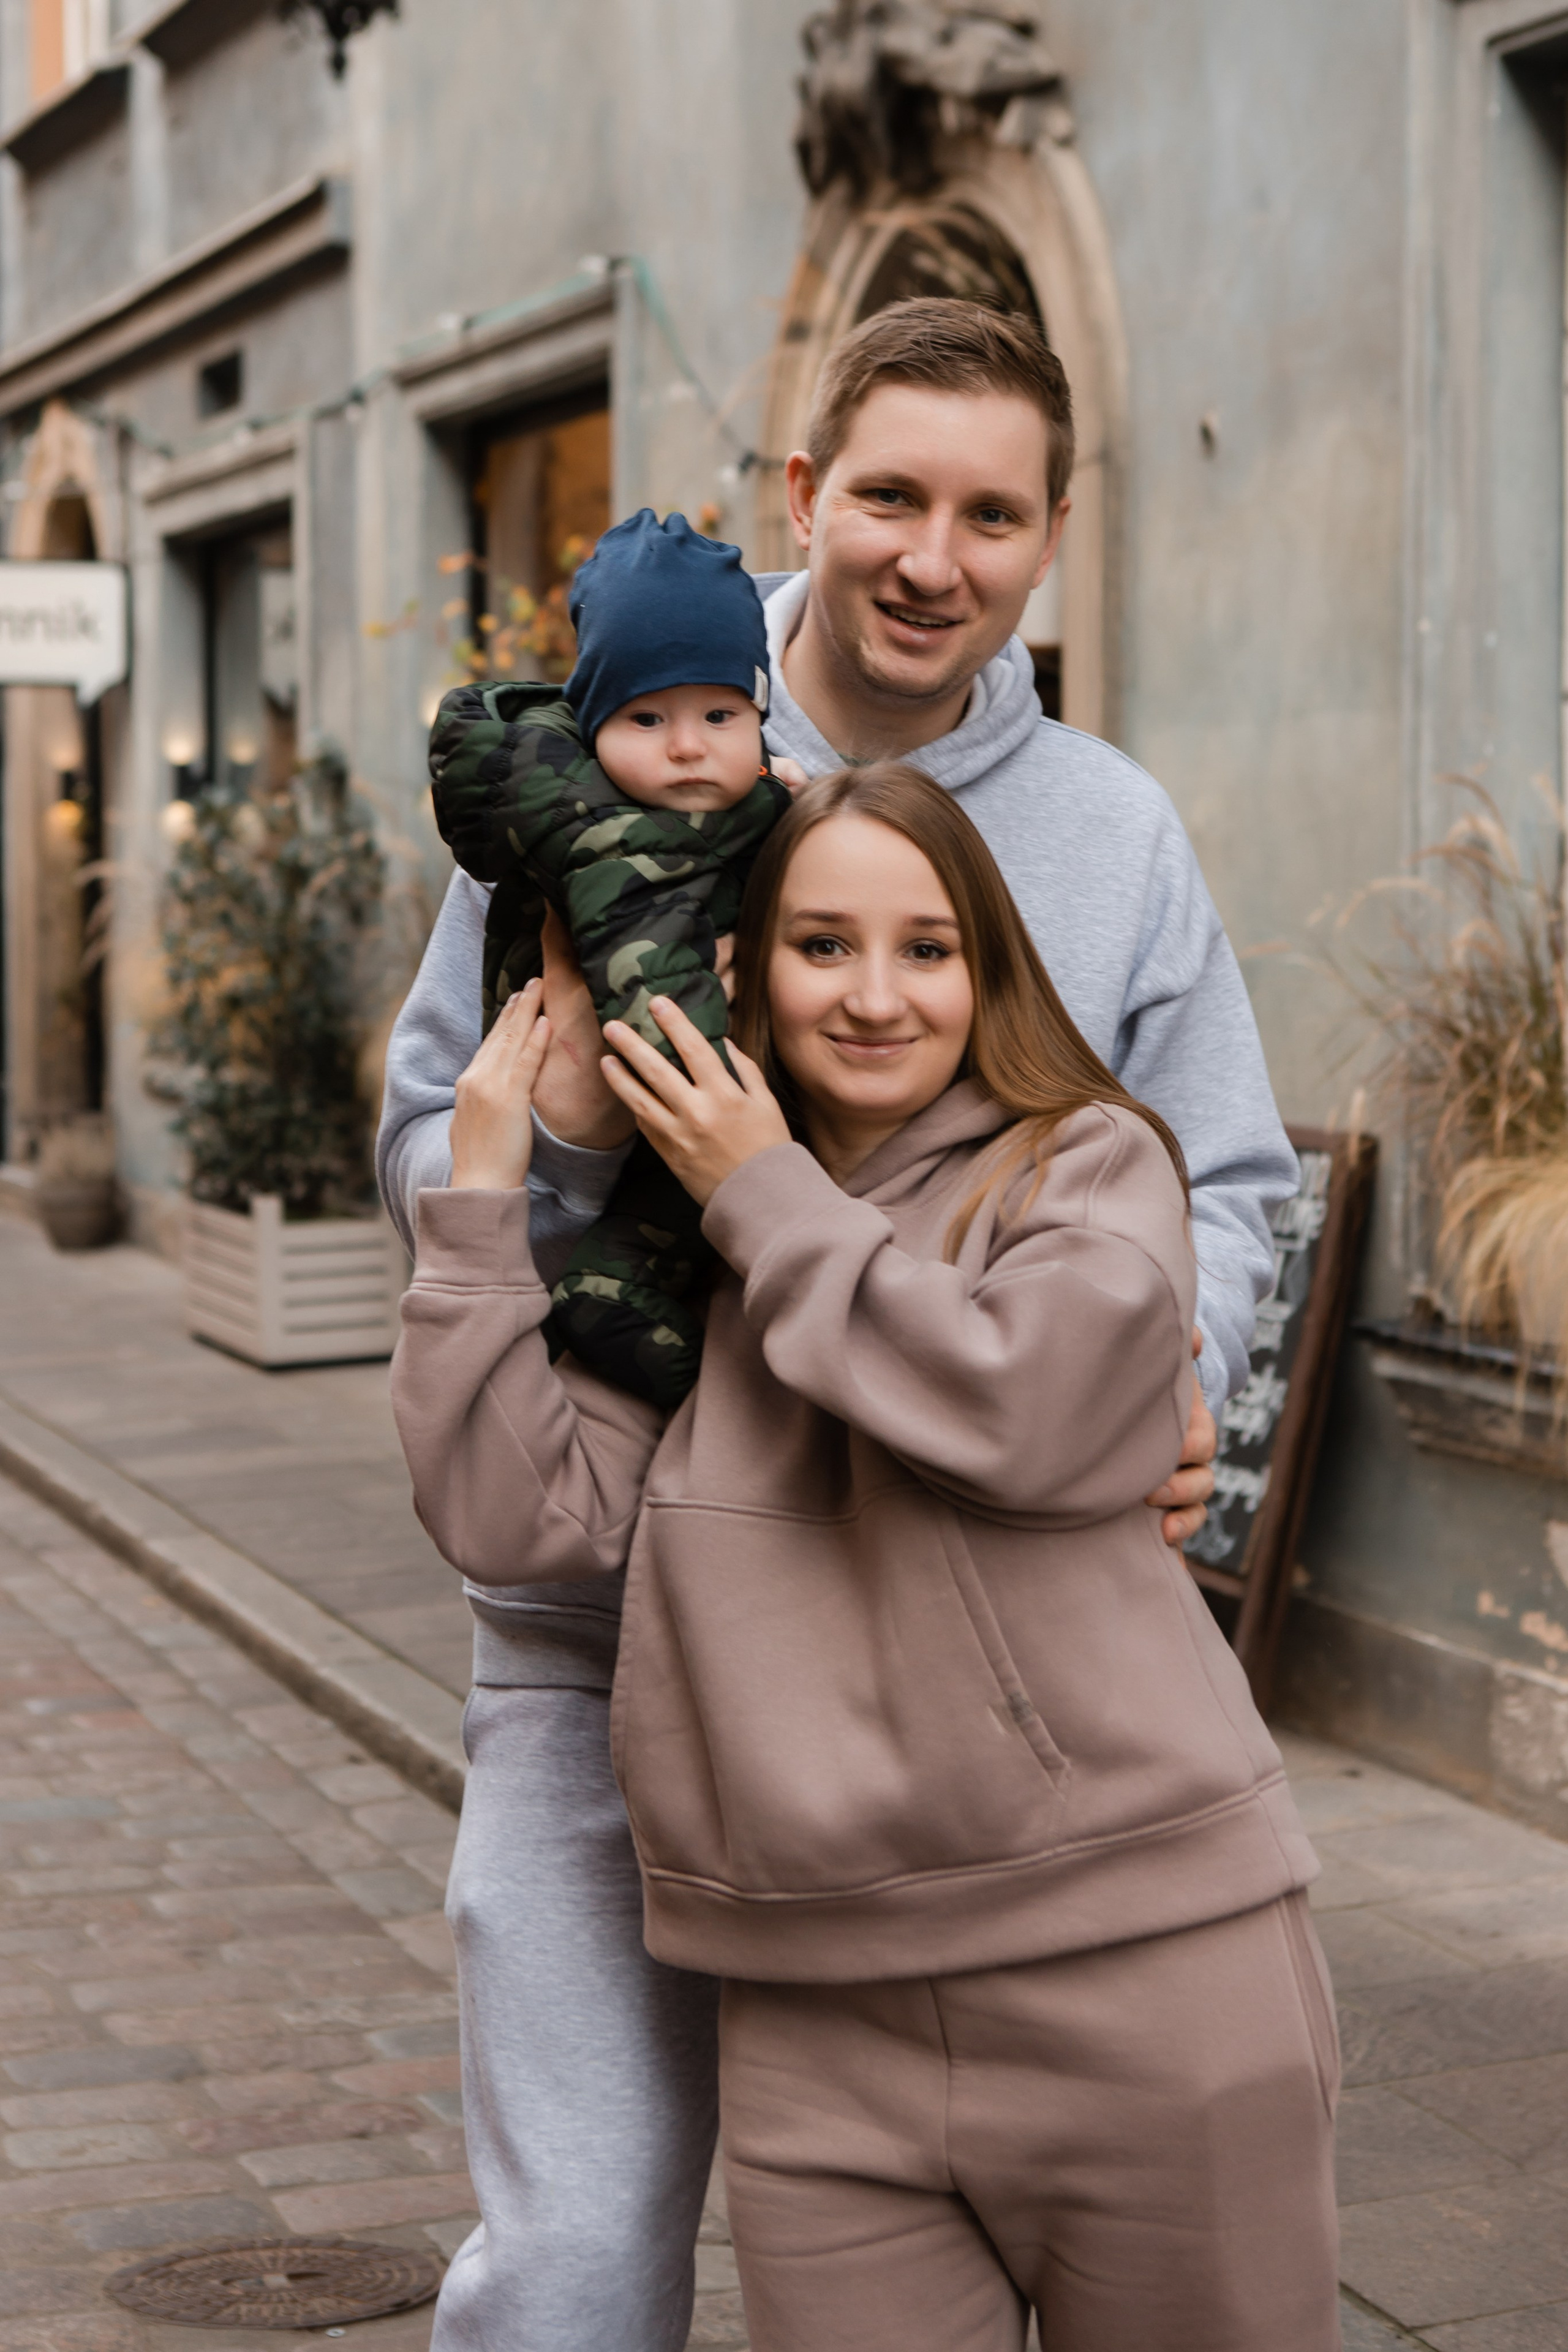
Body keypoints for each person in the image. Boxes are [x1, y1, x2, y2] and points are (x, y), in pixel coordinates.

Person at [377, 298, 1298, 2349]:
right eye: (889, 493)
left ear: (1051, 535)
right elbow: (429, 1131)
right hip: (600, 1637)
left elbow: (1226, 1183)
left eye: (991, 514)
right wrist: (572, 1153)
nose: (930, 557)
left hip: (932, 1675)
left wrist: (1191, 1374)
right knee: (579, 2264)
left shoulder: (1115, 837)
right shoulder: (607, 757)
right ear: (806, 492)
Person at [428, 506, 799, 1408]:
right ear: (592, 729)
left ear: (758, 716)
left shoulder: (719, 813)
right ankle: (642, 1334)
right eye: (645, 717)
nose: (685, 745)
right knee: (660, 1248)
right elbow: (661, 1006)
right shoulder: (607, 836)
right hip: (663, 1122)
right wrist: (751, 1156)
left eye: (720, 713)